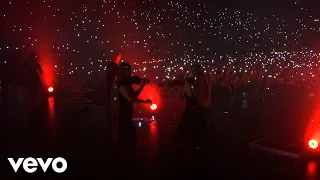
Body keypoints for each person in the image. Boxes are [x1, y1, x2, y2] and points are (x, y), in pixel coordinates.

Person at [110, 62, 151, 175]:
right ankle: (123, 167)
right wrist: (145, 102)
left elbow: (133, 96)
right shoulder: (121, 84)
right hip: (122, 115)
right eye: (126, 70)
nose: (129, 72)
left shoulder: (125, 84)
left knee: (128, 138)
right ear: (122, 71)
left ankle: (125, 164)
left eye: (129, 70)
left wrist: (142, 86)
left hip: (126, 115)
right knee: (126, 138)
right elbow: (131, 99)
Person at [165, 64, 211, 149]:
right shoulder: (203, 83)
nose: (188, 72)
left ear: (193, 73)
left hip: (190, 112)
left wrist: (172, 88)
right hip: (200, 111)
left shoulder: (188, 85)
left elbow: (181, 96)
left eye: (190, 71)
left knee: (184, 131)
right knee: (198, 133)